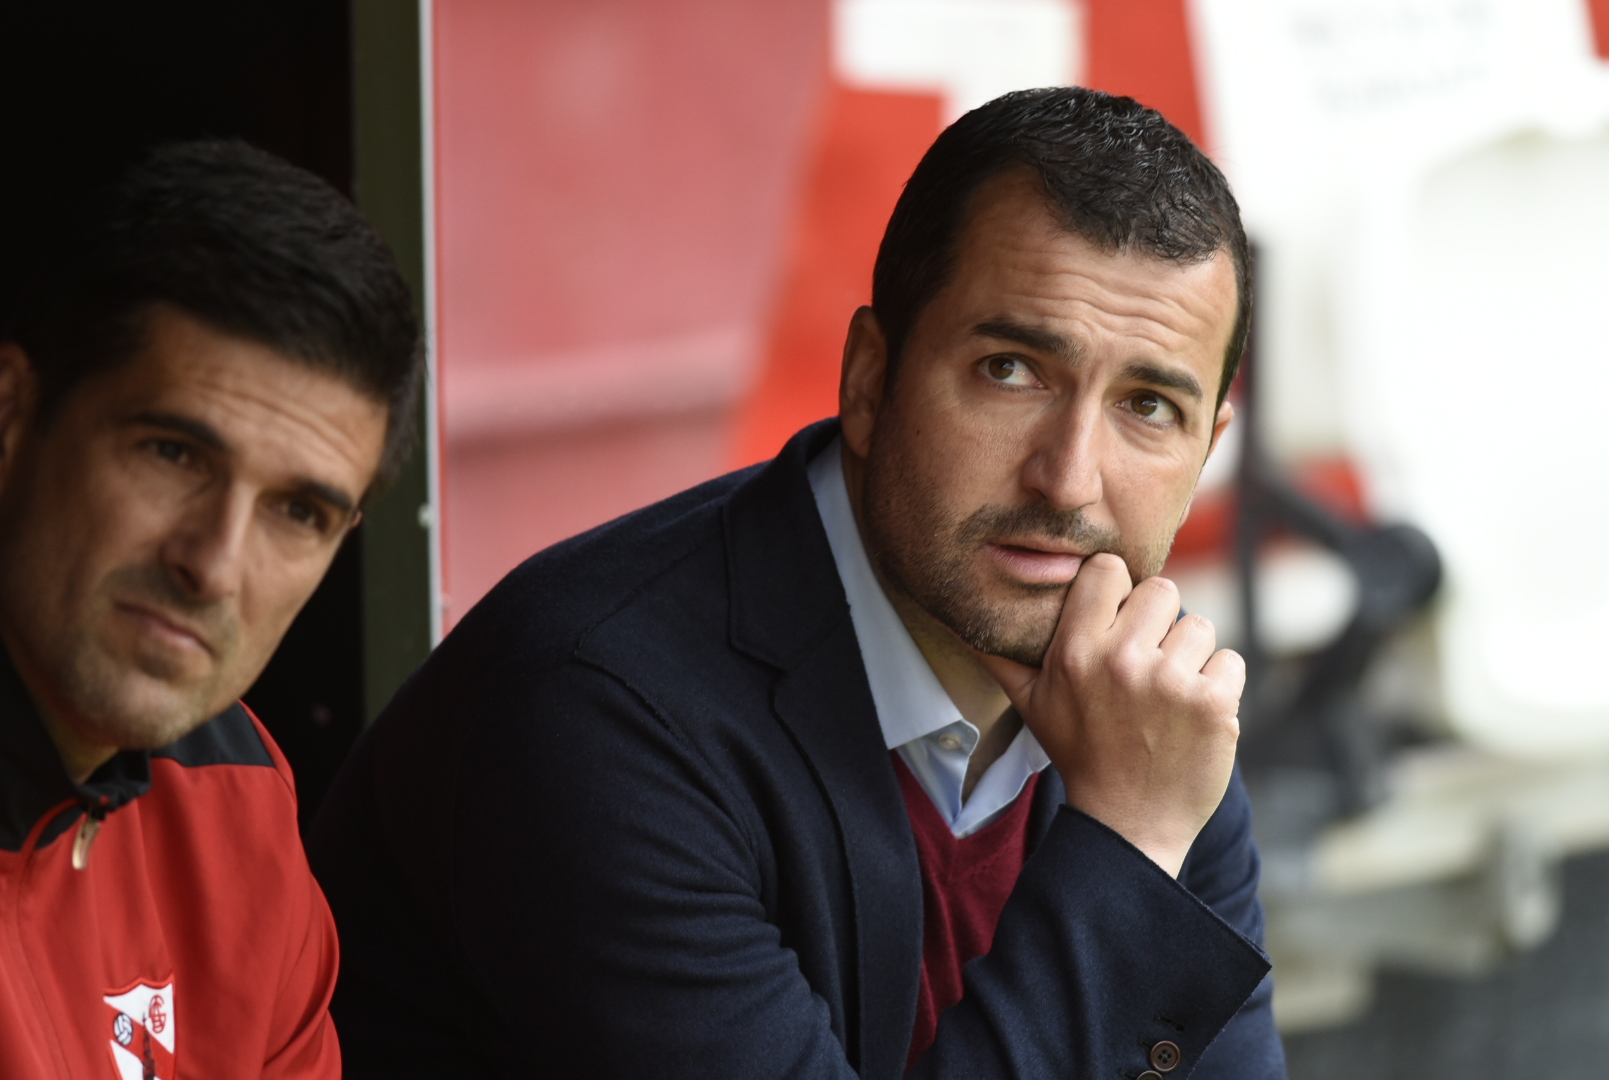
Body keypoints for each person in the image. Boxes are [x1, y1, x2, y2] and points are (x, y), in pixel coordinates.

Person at [312, 87, 1284, 1078]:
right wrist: (1125, 843)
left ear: (1206, 453)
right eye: (1010, 370)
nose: (1068, 478)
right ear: (868, 380)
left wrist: (1138, 827)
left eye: (1149, 407)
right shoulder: (601, 712)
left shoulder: (1145, 725)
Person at [0, 140, 421, 1079]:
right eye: (173, 454)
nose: (215, 565)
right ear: (12, 414)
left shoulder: (236, 801)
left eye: (297, 513)